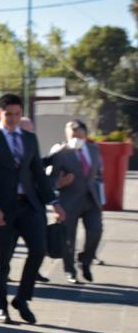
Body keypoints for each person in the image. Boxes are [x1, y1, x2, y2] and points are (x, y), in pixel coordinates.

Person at [0, 94, 65, 325]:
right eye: (8, 114)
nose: (13, 119)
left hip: (29, 205)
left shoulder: (29, 138)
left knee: (39, 249)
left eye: (17, 114)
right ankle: (1, 306)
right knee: (3, 259)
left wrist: (54, 201)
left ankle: (22, 299)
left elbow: (38, 174)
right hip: (1, 208)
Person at [46, 120, 102, 283]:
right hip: (69, 200)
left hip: (91, 200)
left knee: (96, 231)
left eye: (78, 135)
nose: (75, 139)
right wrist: (60, 183)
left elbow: (98, 174)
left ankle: (85, 260)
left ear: (85, 134)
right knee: (69, 237)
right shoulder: (61, 152)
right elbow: (50, 179)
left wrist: (101, 194)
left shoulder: (93, 149)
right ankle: (69, 270)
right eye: (72, 136)